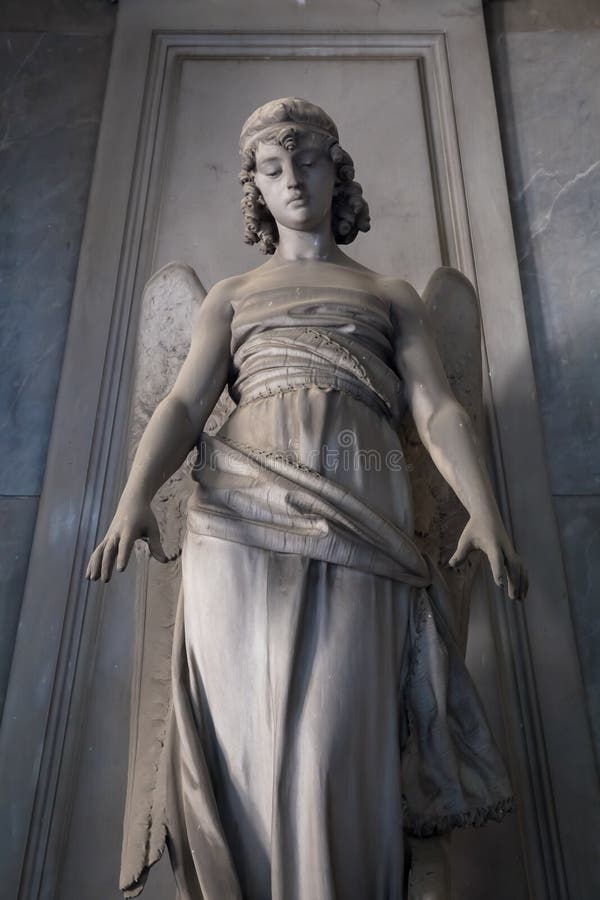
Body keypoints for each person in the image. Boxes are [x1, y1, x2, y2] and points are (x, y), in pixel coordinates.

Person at [87, 97, 527, 900]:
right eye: (274, 165)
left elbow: (436, 408)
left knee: (337, 736)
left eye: (311, 159)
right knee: (246, 741)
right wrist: (134, 499)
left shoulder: (392, 295)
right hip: (238, 526)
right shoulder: (228, 295)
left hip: (365, 520)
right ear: (255, 185)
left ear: (338, 171)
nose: (295, 178)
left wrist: (486, 509)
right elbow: (183, 407)